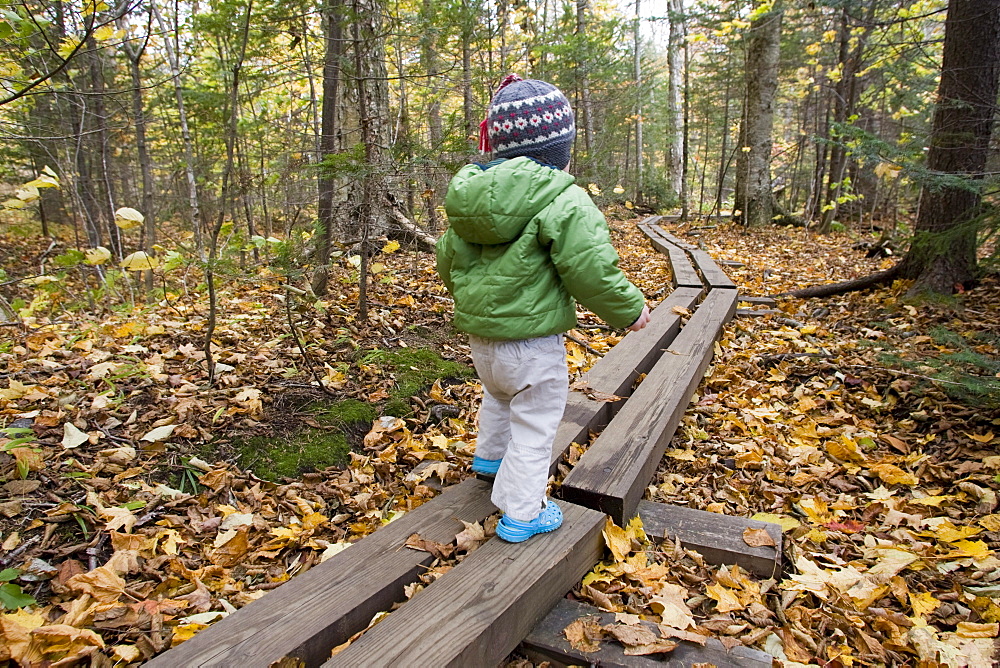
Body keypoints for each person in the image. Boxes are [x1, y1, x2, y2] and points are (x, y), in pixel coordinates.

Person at [436, 75, 650, 543]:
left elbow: (447, 261)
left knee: (498, 396)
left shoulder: (468, 201)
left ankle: (490, 461)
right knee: (534, 424)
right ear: (560, 149)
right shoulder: (564, 198)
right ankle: (523, 512)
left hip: (483, 342)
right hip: (533, 345)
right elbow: (589, 269)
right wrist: (629, 311)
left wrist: (474, 300)